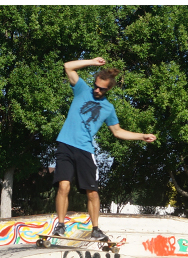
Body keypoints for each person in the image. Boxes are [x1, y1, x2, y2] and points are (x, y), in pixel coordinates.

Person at [52, 57, 156, 240]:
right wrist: (92, 61)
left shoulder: (108, 108)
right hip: (66, 144)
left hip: (85, 149)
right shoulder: (82, 89)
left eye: (102, 89)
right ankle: (60, 226)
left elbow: (117, 131)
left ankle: (96, 229)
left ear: (109, 89)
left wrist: (141, 136)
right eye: (96, 86)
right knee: (64, 185)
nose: (97, 90)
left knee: (92, 191)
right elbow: (68, 66)